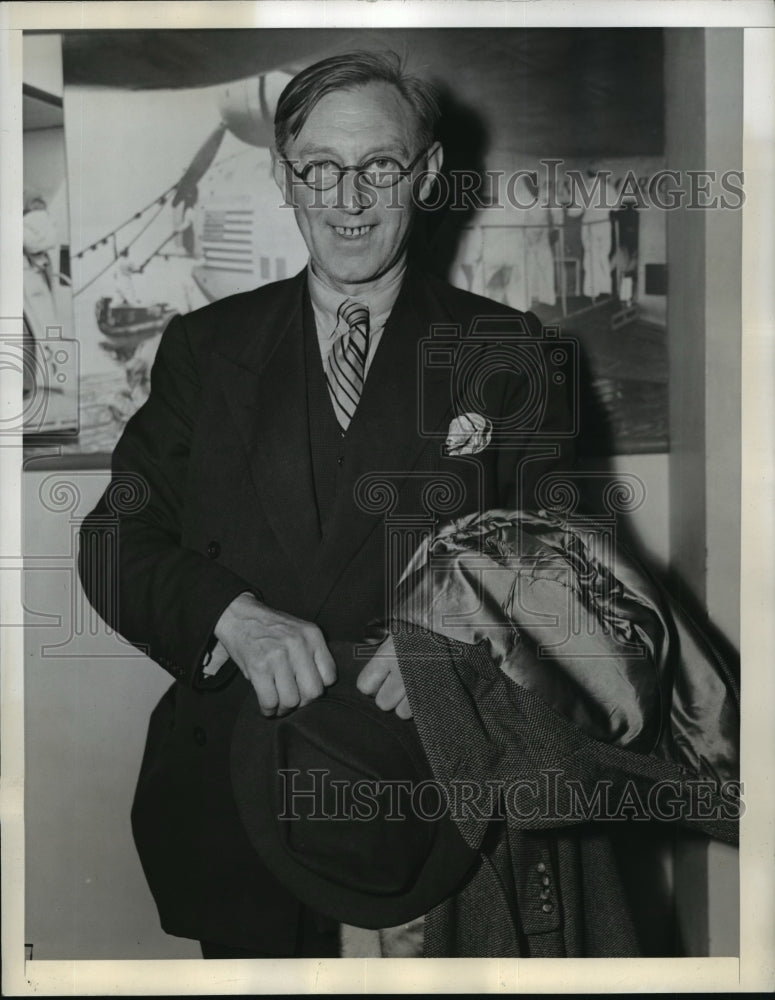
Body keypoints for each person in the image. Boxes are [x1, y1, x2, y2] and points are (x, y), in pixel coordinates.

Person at [78, 50, 573, 959]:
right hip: (239, 786)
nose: (349, 197)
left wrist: (458, 635)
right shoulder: (205, 346)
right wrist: (229, 616)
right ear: (284, 177)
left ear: (425, 174)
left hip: (433, 786)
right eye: (320, 167)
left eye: (379, 165)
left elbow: (566, 554)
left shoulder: (506, 349)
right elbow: (116, 538)